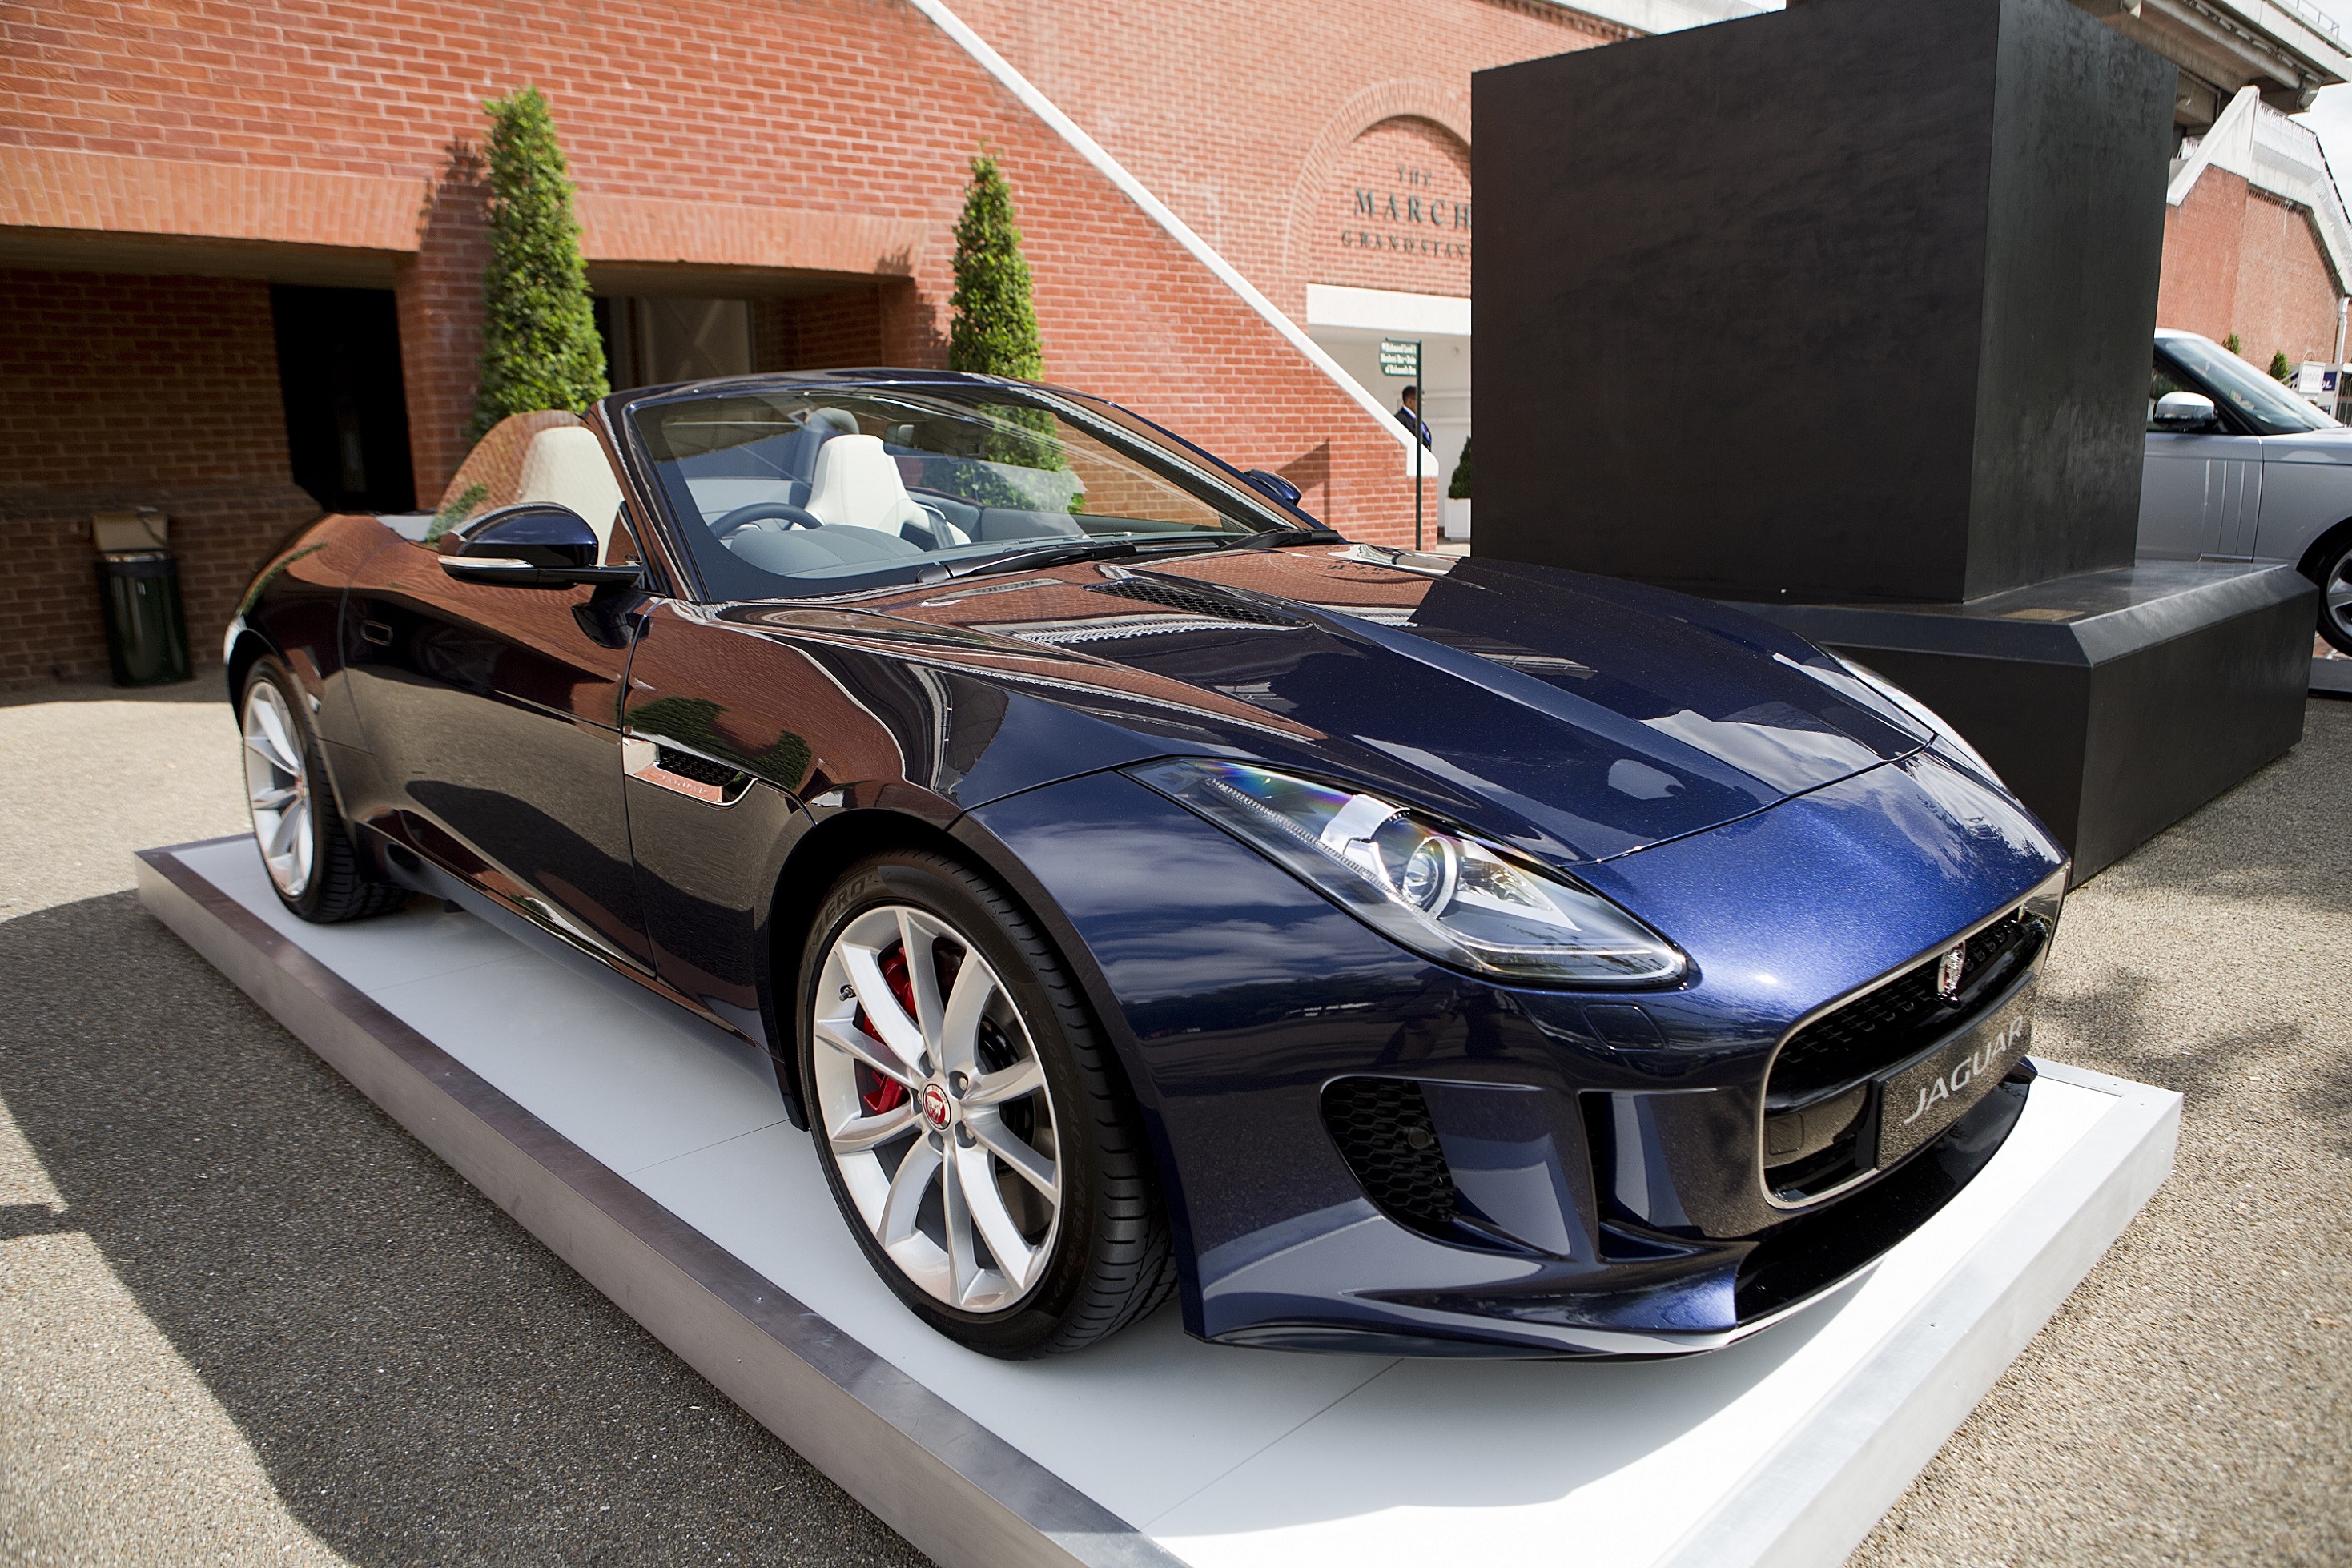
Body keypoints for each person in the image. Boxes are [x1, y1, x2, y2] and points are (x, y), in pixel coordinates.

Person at [1394, 384, 1433, 448]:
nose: (1423, 404)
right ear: (1410, 402)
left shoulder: (1418, 420)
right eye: (1421, 400)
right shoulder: (1400, 419)